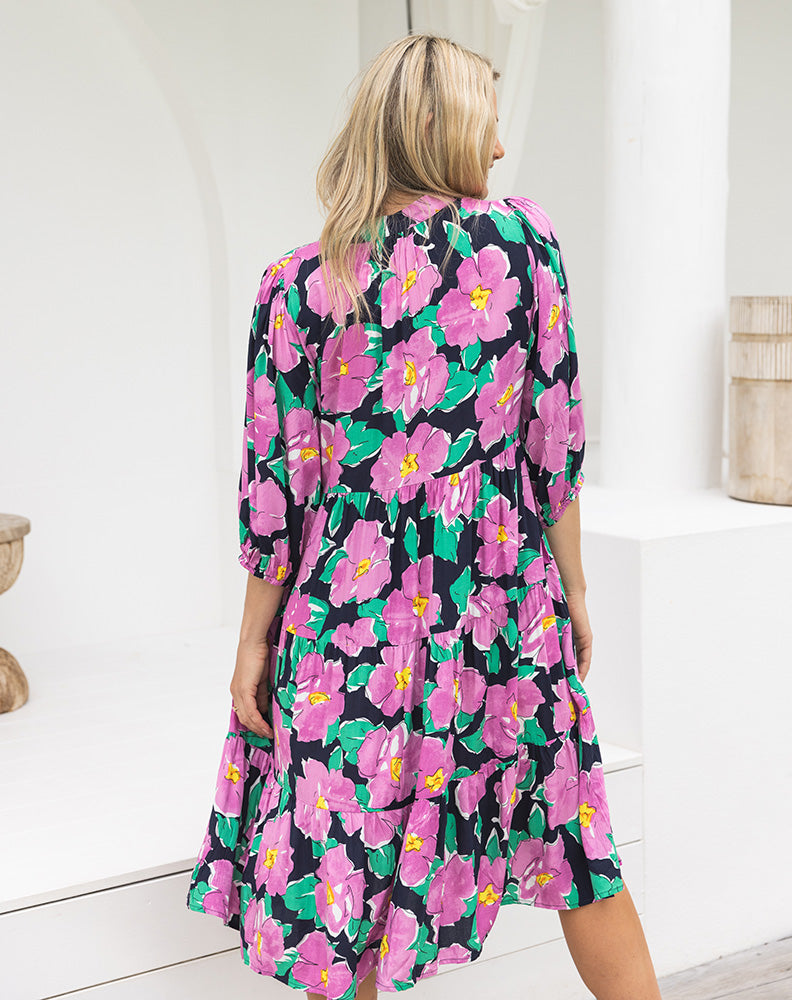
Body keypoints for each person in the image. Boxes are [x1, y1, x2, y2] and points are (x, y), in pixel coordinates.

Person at [185, 32, 662, 1000]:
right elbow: (554, 445)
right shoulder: (522, 246)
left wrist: (251, 643)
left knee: (347, 874)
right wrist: (572, 591)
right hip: (498, 602)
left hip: (346, 621)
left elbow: (278, 488)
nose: (500, 148)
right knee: (578, 844)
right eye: (489, 124)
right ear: (437, 123)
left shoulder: (297, 283)